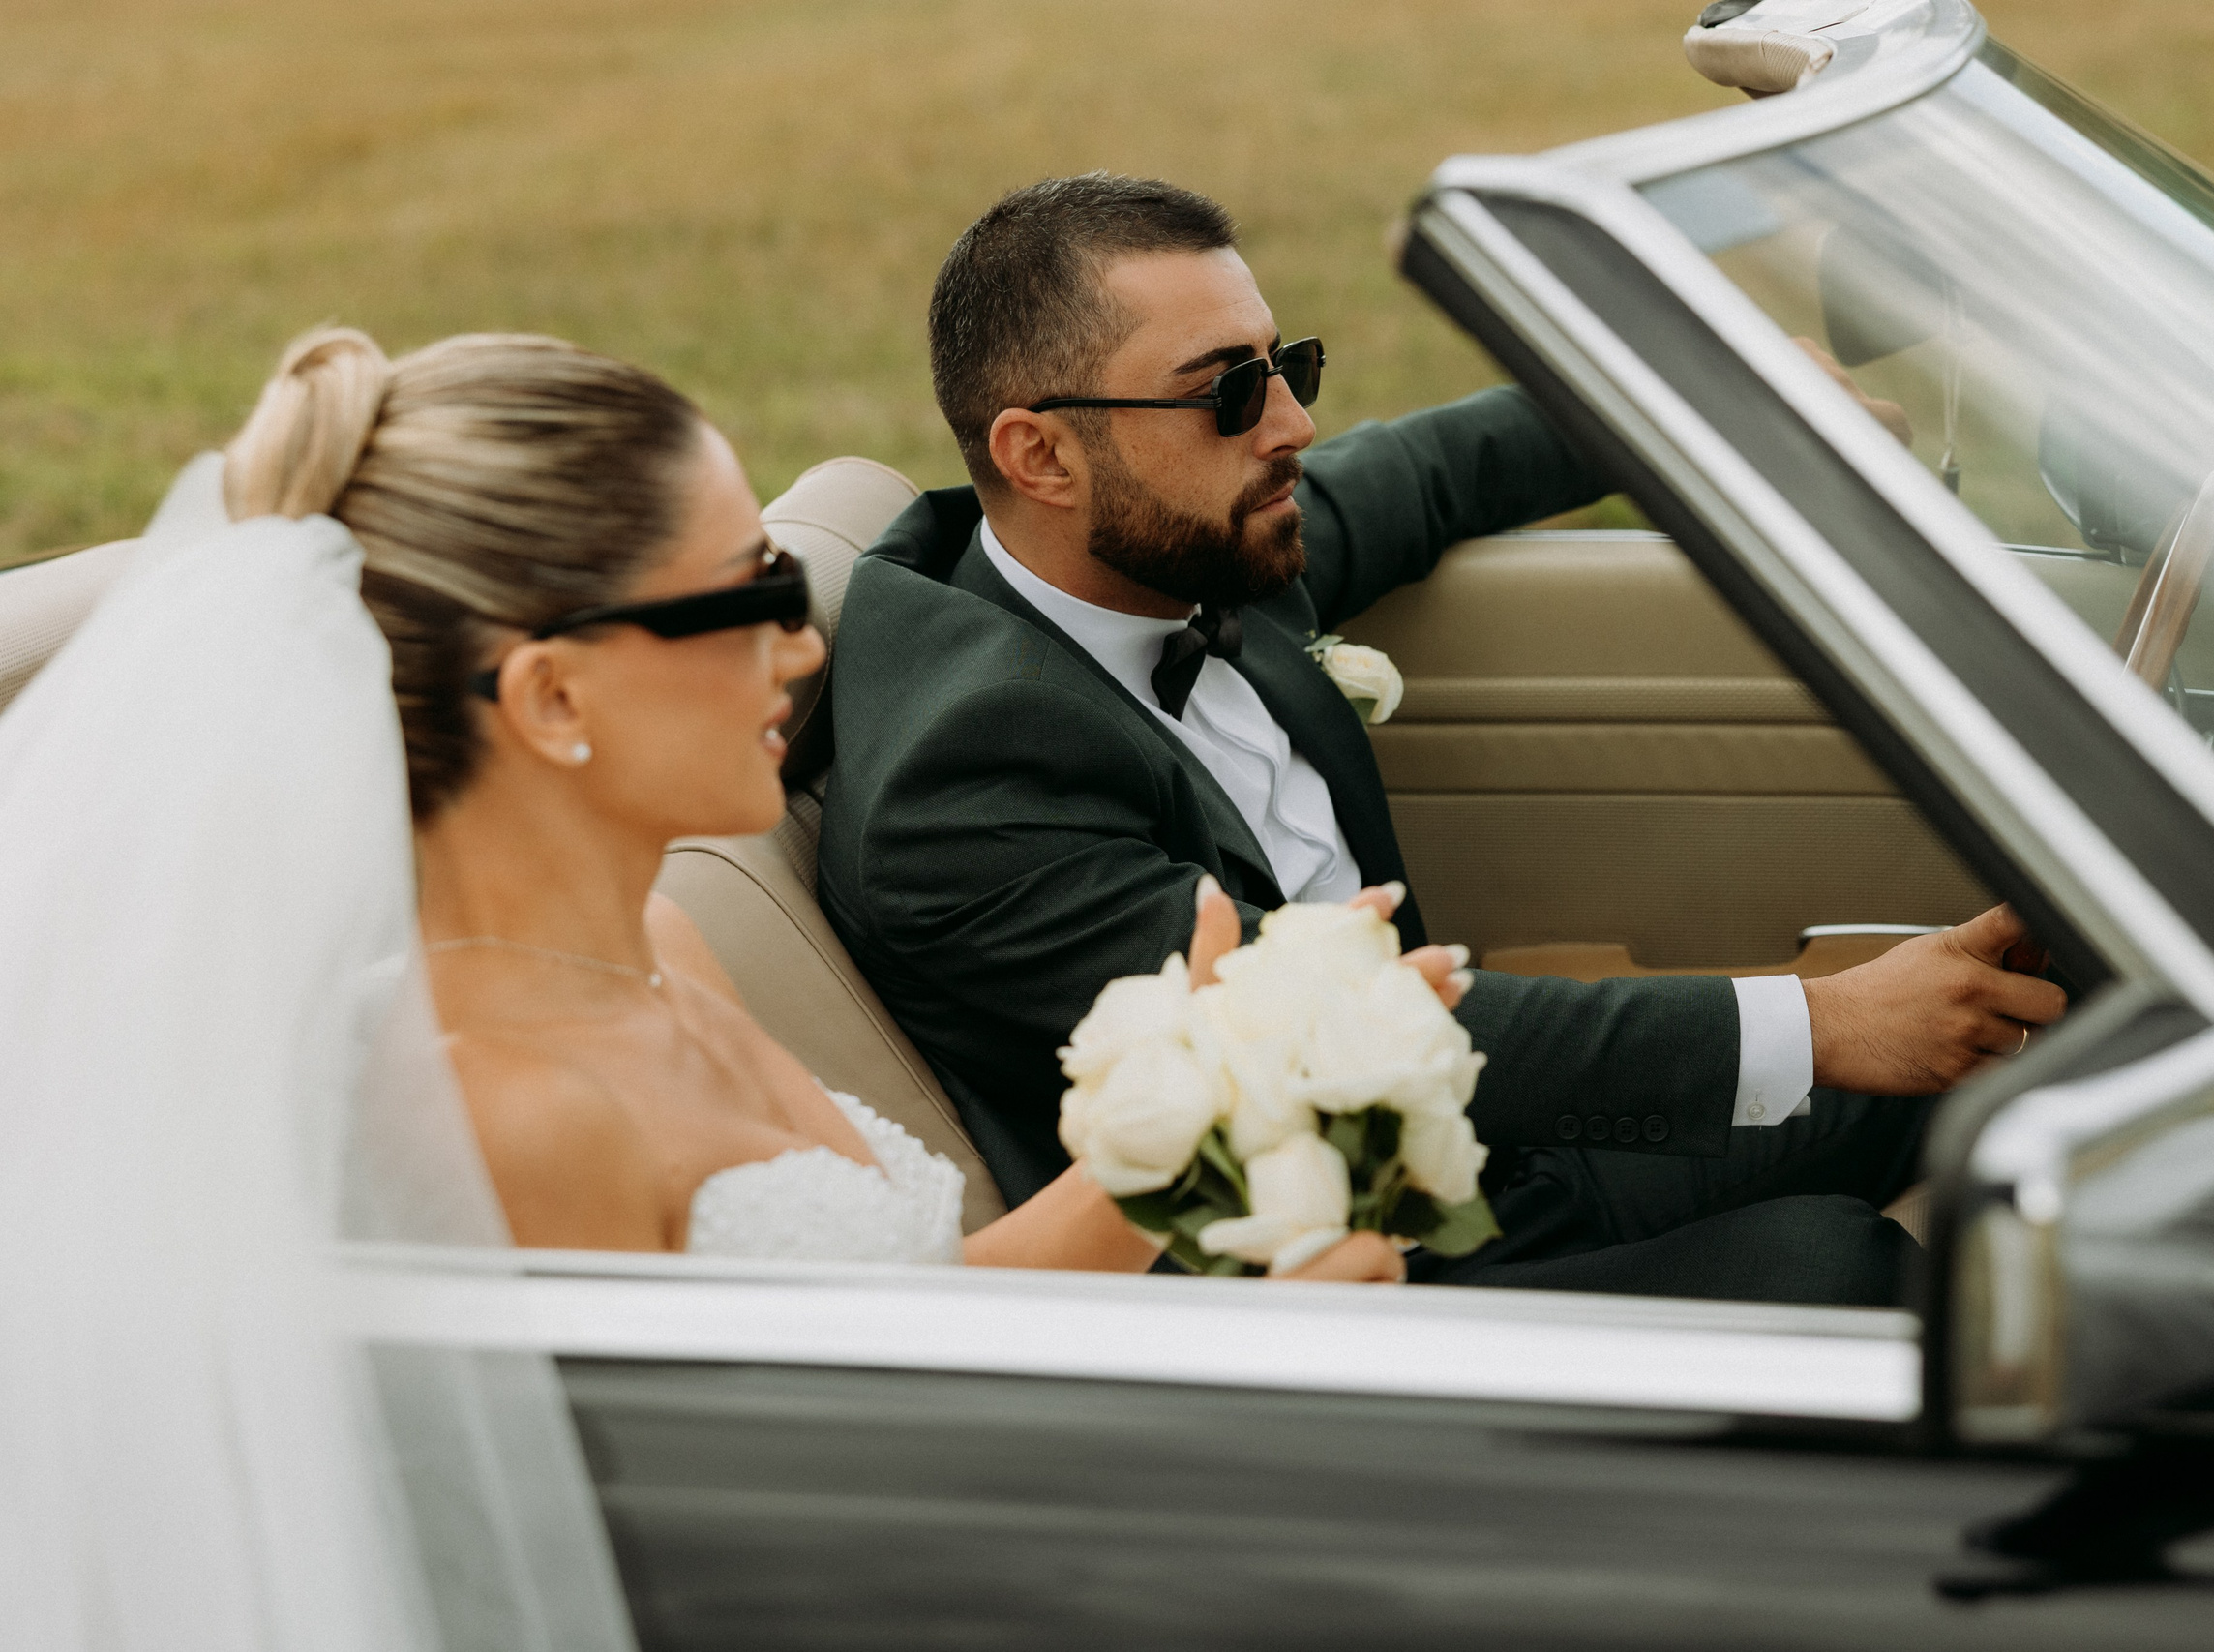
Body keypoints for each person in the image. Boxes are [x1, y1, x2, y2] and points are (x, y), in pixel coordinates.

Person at [815, 174, 2067, 1302]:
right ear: (1039, 454)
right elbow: (1318, 1033)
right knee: (1836, 1268)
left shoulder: (1190, 542)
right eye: (1230, 392)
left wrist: (1719, 399)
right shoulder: (964, 782)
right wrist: (1823, 1021)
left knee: (2013, 1053)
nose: (1291, 423)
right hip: (1322, 1267)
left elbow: (1436, 469)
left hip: (1474, 1145)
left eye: (1288, 363)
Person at [215, 325, 1417, 1283]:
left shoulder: (657, 949)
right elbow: (753, 1541)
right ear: (553, 699)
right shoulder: (509, 1122)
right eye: (746, 599)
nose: (797, 653)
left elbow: (926, 1306)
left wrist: (1223, 1084)